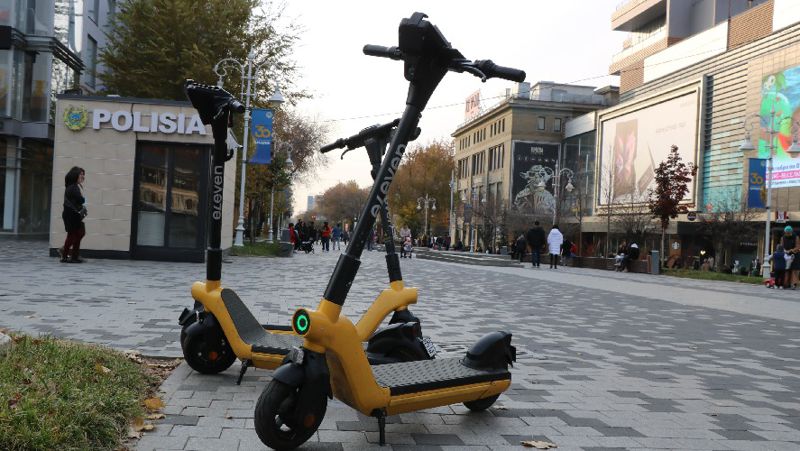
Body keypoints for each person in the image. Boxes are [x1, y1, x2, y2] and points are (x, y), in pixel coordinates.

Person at [59, 166, 87, 263]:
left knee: (77, 234)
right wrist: (83, 199)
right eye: (80, 175)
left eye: (83, 175)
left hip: (72, 214)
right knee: (74, 235)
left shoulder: (73, 186)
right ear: (75, 176)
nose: (82, 177)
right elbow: (81, 200)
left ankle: (72, 255)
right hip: (71, 214)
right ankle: (66, 254)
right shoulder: (73, 187)